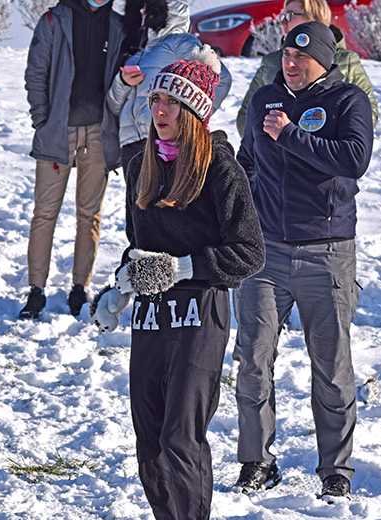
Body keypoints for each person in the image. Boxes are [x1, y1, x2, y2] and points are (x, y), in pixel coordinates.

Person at [91, 49, 265, 520]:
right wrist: (119, 289)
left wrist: (183, 269)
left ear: (194, 113)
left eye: (171, 102)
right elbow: (138, 246)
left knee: (179, 437)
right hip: (151, 315)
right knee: (148, 440)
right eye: (154, 100)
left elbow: (249, 252)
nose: (159, 111)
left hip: (200, 312)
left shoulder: (220, 169)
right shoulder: (139, 167)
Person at [233, 21, 374, 502]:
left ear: (323, 60)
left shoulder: (347, 101)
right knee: (252, 359)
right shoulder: (263, 101)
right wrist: (242, 211)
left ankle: (336, 470)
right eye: (285, 57)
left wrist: (292, 136)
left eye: (301, 58)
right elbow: (248, 160)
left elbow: (354, 159)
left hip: (327, 253)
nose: (290, 64)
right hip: (265, 254)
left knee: (331, 368)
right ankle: (256, 461)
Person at [20, 0, 124, 319]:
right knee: (45, 213)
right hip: (57, 131)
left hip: (99, 133)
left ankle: (80, 288)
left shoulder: (119, 26)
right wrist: (43, 120)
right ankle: (36, 290)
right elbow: (36, 72)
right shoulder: (54, 19)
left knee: (89, 215)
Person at [107, 0, 232, 175]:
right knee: (136, 203)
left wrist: (190, 122)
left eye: (148, 5)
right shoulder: (138, 51)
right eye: (139, 5)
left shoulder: (180, 42)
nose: (142, 10)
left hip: (161, 144)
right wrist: (123, 82)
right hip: (130, 145)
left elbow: (221, 78)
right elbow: (113, 105)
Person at [236, 0, 378, 137]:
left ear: (314, 18)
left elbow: (367, 114)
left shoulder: (345, 62)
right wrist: (266, 148)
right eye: (282, 16)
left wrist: (321, 147)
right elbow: (246, 115)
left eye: (289, 16)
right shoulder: (271, 63)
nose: (282, 22)